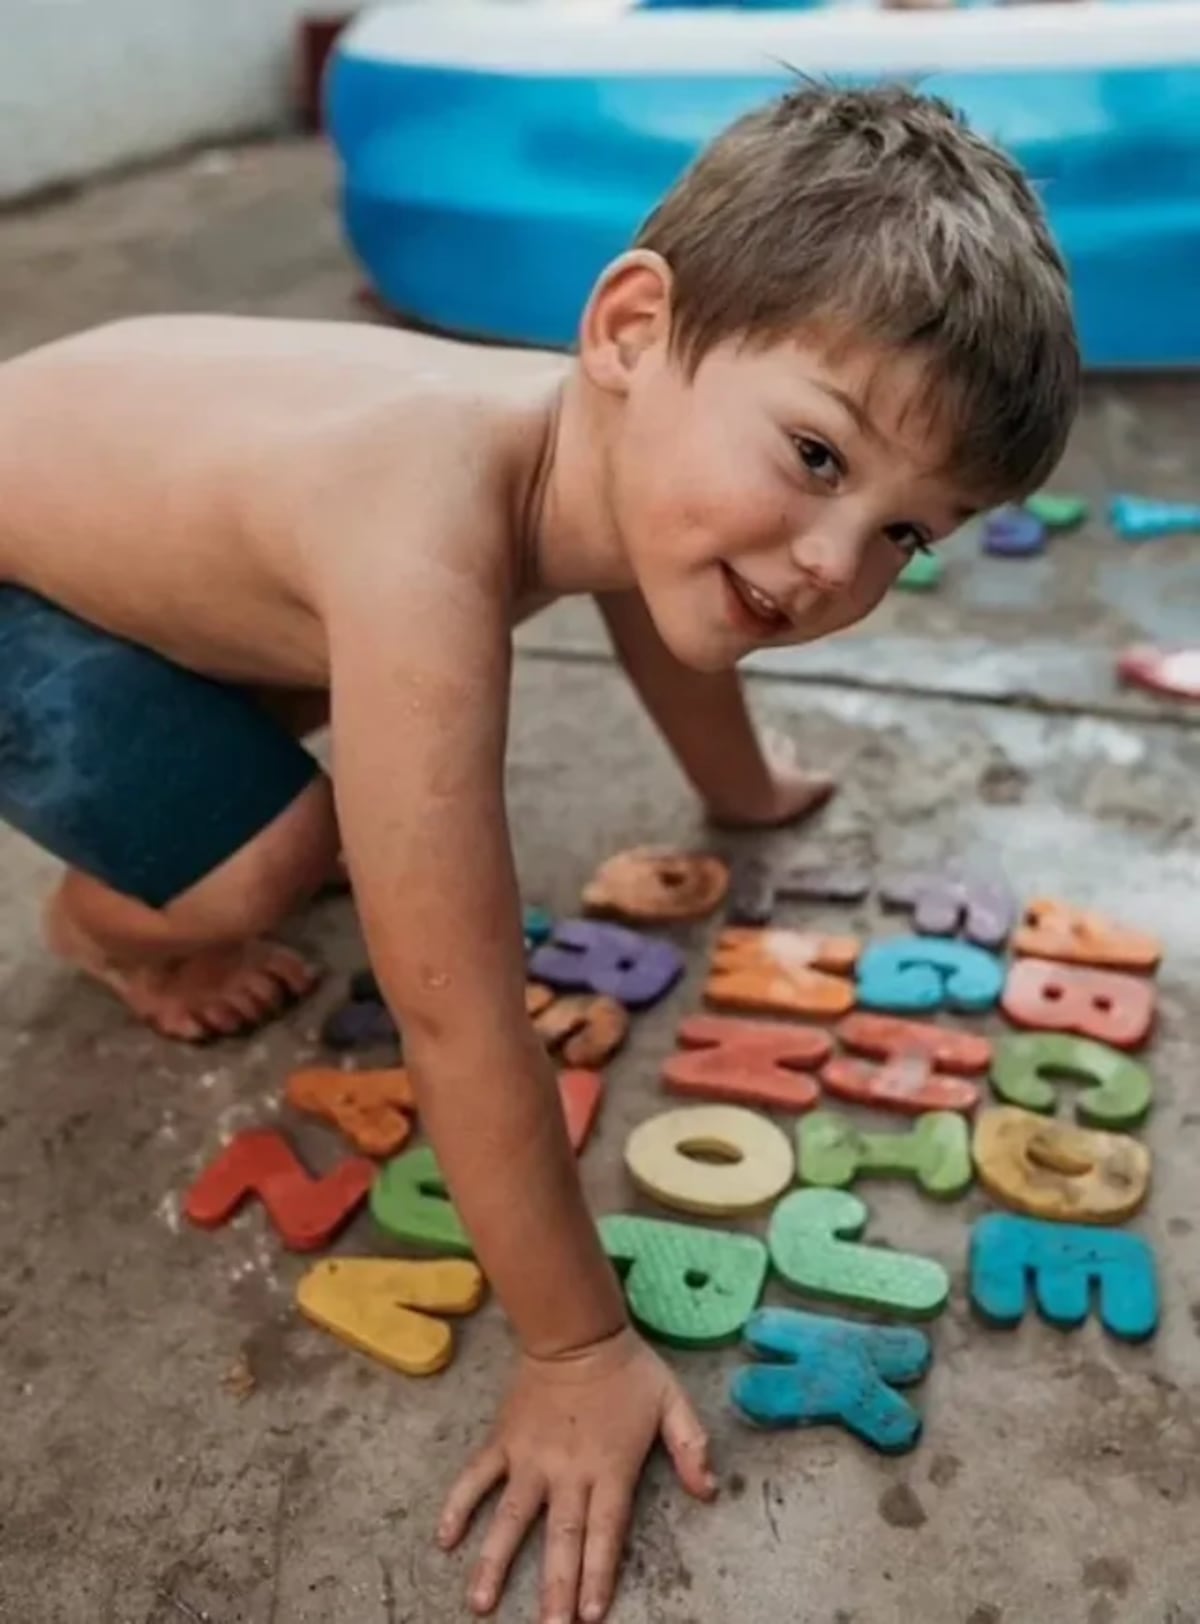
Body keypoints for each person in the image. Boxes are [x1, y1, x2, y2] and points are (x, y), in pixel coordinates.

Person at [0, 82, 1078, 1624]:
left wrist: (749, 793)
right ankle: (108, 922)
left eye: (912, 534)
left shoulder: (617, 448)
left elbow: (675, 607)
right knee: (278, 854)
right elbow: (452, 1007)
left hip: (116, 501)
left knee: (382, 714)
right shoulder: (422, 517)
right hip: (18, 575)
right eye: (824, 460)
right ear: (632, 326)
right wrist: (574, 1347)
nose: (839, 564)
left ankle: (196, 763)